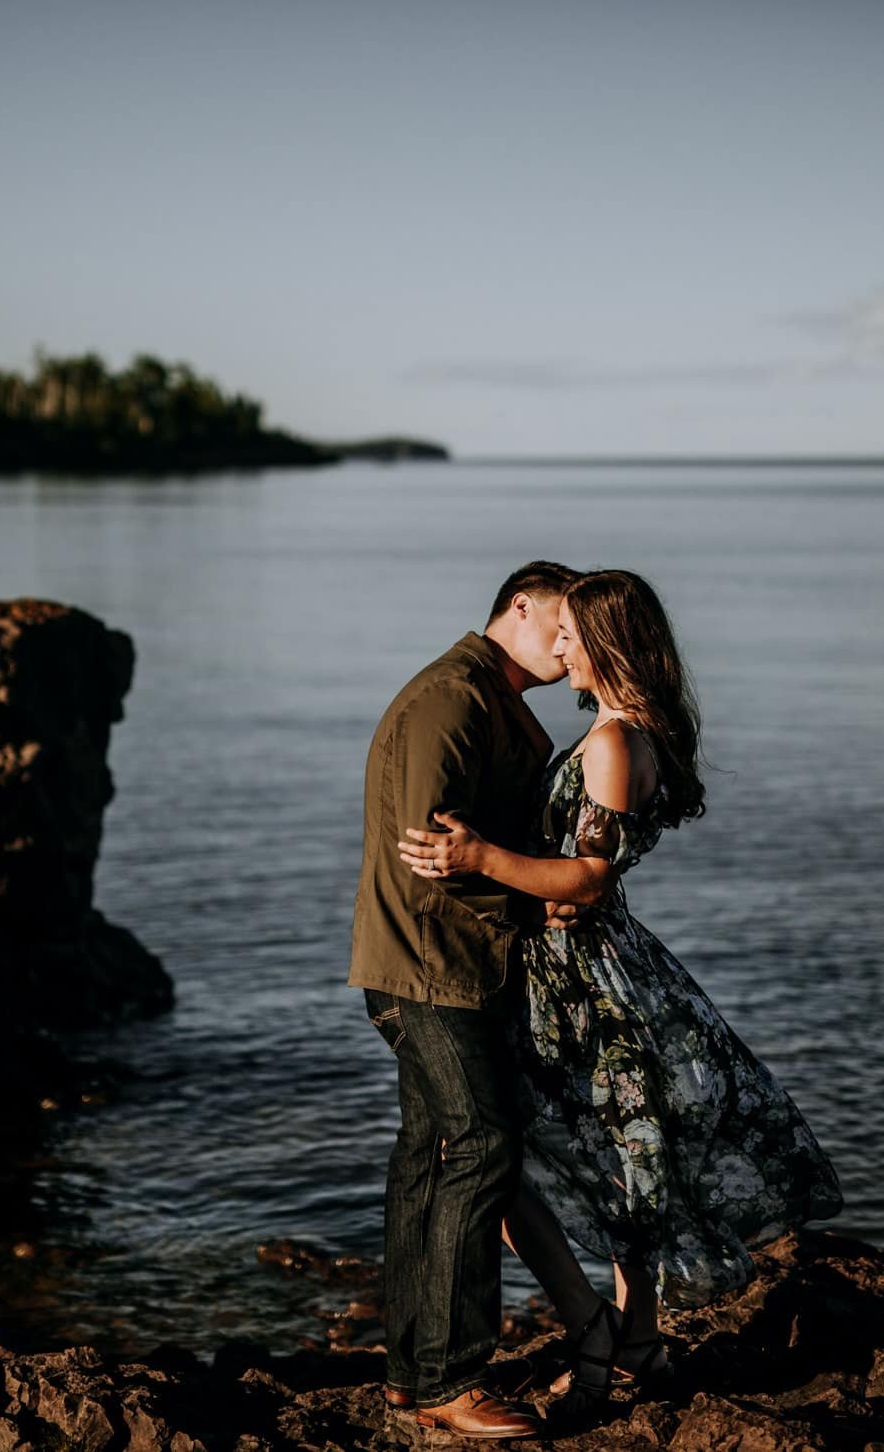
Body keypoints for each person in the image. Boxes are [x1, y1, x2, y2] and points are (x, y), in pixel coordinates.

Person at [399, 568, 847, 1427]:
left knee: (520, 1161)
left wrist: (480, 858)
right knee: (611, 1159)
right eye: (558, 631)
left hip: (585, 979)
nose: (557, 647)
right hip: (579, 965)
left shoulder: (611, 743)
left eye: (572, 636)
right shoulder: (622, 732)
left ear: (605, 643)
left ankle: (602, 1332)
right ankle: (628, 1334)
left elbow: (590, 878)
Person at [349, 559, 581, 1438]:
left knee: (429, 1155)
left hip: (439, 962)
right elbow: (428, 852)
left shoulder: (492, 698)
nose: (568, 646)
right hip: (427, 965)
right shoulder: (455, 695)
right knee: (483, 1144)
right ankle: (452, 1380)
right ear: (517, 606)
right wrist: (539, 896)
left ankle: (411, 1375)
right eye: (559, 625)